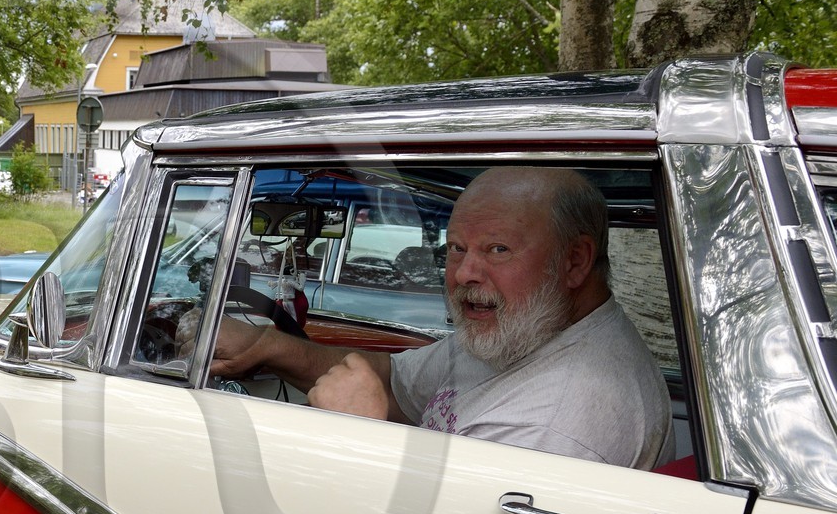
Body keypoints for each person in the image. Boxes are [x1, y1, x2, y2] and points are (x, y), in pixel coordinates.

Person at [211, 167, 674, 470]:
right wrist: (269, 347)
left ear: (575, 262)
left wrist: (361, 437)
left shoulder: (552, 425)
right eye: (455, 249)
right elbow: (395, 381)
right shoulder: (526, 329)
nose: (464, 273)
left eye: (498, 249)